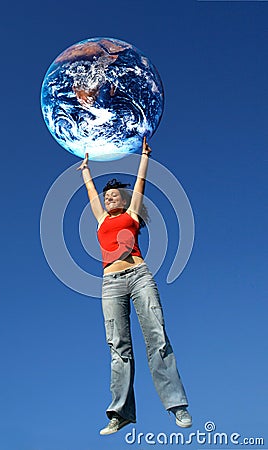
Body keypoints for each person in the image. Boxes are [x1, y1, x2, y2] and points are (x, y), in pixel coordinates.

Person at [77, 137, 192, 435]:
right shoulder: (101, 218)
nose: (110, 199)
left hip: (139, 275)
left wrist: (144, 155)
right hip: (110, 283)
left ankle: (177, 405)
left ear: (125, 200)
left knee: (157, 337)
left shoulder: (131, 215)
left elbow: (141, 182)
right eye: (108, 196)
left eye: (115, 196)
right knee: (118, 346)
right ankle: (121, 413)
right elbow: (91, 193)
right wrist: (86, 171)